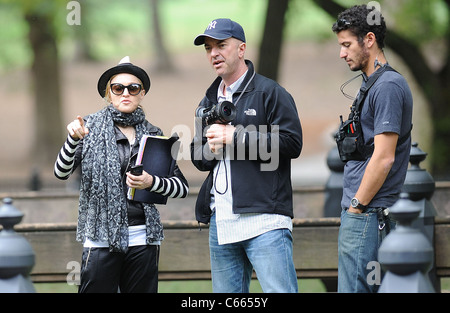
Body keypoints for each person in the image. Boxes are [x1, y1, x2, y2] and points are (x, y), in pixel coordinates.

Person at [54, 56, 189, 293]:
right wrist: (73, 140)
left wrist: (151, 182)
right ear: (109, 93)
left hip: (143, 238)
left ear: (142, 93)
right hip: (100, 236)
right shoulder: (88, 127)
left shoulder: (154, 134)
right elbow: (61, 173)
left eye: (133, 88)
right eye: (118, 88)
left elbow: (181, 187)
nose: (125, 93)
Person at [190, 18, 302, 293]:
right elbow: (198, 157)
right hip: (221, 221)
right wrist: (210, 148)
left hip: (265, 220)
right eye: (208, 48)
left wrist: (235, 136)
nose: (213, 53)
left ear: (241, 49)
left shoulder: (270, 92)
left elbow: (291, 143)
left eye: (221, 45)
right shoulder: (207, 101)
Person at [332, 5, 413, 292]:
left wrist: (356, 207)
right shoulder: (374, 83)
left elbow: (384, 157)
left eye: (346, 45)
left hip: (369, 214)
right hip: (364, 211)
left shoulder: (388, 86)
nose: (342, 53)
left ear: (369, 40)